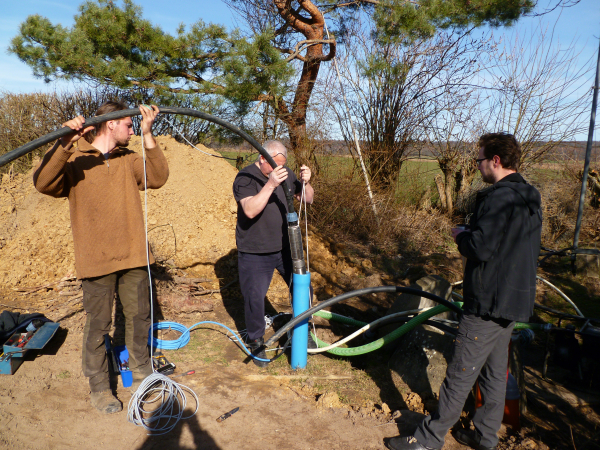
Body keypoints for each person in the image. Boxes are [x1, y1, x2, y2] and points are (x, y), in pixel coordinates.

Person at [385, 132, 542, 450]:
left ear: (495, 161)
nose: (478, 165)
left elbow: (481, 249)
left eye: (479, 159)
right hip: (513, 302)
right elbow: (505, 246)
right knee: (494, 375)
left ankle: (428, 439)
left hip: (487, 303)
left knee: (461, 371)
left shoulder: (499, 197)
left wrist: (460, 236)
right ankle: (485, 438)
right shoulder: (530, 196)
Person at [33, 101, 169, 414]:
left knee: (139, 318)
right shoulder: (75, 159)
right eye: (129, 125)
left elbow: (158, 177)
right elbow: (43, 183)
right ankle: (99, 387)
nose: (132, 130)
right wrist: (65, 142)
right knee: (99, 325)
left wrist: (148, 134)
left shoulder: (129, 158)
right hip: (96, 260)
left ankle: (142, 372)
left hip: (134, 256)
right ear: (110, 123)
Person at [233, 140, 314, 367]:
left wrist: (306, 183)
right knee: (255, 298)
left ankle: (302, 331)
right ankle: (256, 339)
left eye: (283, 165)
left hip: (286, 247)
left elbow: (308, 199)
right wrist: (270, 185)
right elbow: (249, 210)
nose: (279, 170)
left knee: (303, 287)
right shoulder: (245, 178)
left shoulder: (285, 173)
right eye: (274, 165)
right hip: (255, 250)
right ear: (262, 159)